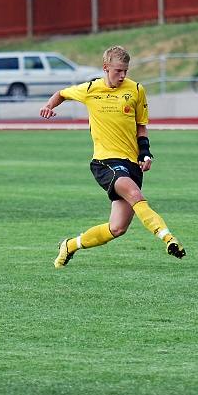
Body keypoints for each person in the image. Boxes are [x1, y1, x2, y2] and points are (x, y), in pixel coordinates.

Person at [39, 46, 186, 268]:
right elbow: (62, 94)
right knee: (135, 194)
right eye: (118, 71)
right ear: (105, 68)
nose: (123, 75)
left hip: (131, 163)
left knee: (117, 228)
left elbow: (141, 126)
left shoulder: (136, 90)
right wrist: (49, 105)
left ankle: (69, 245)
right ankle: (168, 239)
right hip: (105, 162)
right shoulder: (90, 89)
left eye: (125, 70)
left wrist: (145, 152)